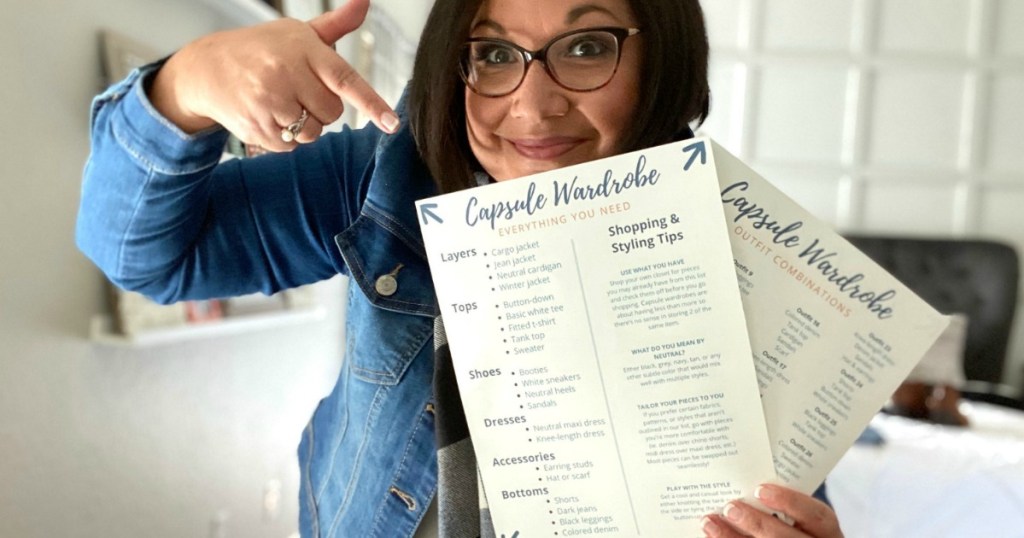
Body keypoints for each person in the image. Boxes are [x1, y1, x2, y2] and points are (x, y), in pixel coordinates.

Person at [77, 0, 845, 536]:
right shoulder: (382, 180)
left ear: (661, 58)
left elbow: (776, 499)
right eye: (495, 54)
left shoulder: (754, 265)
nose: (534, 106)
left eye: (586, 47)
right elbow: (144, 254)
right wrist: (184, 86)